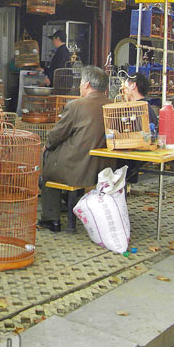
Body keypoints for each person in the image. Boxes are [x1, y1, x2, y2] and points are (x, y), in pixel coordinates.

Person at [39, 66, 113, 232]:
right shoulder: (113, 105)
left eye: (80, 83)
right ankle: (70, 204)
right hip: (104, 167)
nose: (80, 86)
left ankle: (51, 219)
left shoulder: (76, 106)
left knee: (49, 164)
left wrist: (47, 146)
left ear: (86, 84)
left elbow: (57, 135)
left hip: (78, 167)